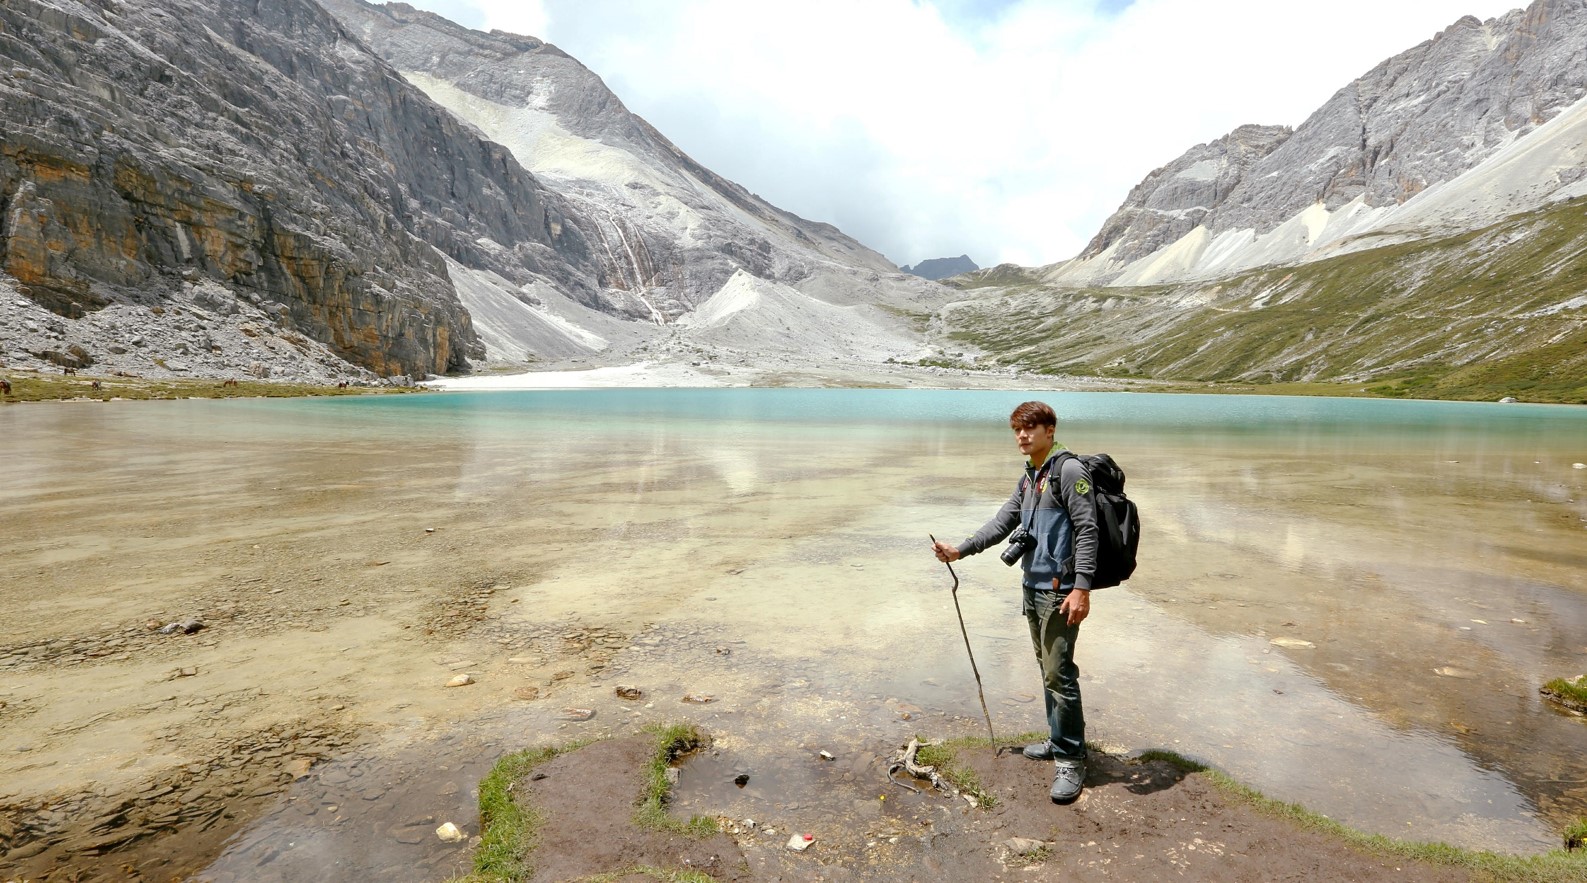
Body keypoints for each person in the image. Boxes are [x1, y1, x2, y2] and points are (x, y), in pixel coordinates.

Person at [932, 400, 1099, 803]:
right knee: (1046, 668)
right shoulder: (1031, 476)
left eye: (1030, 429)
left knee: (1059, 672)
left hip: (1060, 590)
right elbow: (1004, 520)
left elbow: (1088, 529)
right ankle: (1058, 739)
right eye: (1017, 430)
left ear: (1050, 430)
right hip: (1033, 585)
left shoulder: (1069, 471)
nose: (1022, 436)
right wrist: (961, 550)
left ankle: (1071, 760)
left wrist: (1082, 588)